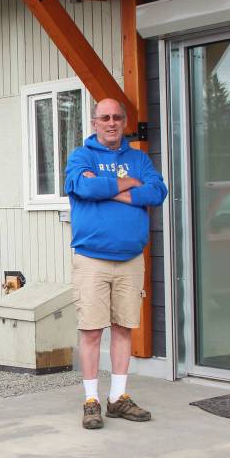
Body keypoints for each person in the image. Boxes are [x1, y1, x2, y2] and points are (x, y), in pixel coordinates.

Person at [63, 98, 168, 430]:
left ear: (124, 123)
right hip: (92, 259)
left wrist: (107, 190)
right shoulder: (82, 156)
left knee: (124, 328)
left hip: (130, 259)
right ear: (94, 122)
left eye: (117, 118)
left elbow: (158, 192)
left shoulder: (138, 158)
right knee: (92, 330)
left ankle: (118, 398)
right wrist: (127, 184)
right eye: (105, 117)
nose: (111, 123)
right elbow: (82, 186)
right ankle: (91, 400)